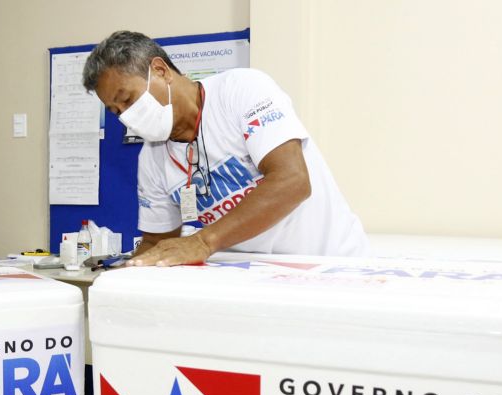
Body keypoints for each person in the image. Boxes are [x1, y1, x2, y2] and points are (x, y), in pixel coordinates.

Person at [82, 31, 371, 267]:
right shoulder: (152, 159)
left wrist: (202, 242)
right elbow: (158, 242)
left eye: (128, 99)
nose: (125, 116)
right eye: (116, 110)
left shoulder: (241, 90)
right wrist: (127, 271)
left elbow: (292, 181)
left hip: (330, 266)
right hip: (255, 280)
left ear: (160, 70)